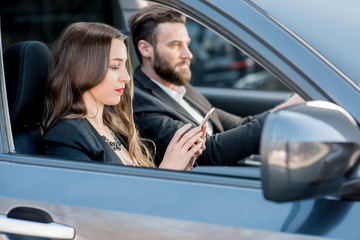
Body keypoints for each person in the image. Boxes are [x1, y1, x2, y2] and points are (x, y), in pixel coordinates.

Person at [128, 4, 304, 166]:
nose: (188, 54)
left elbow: (239, 126)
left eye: (187, 44)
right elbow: (206, 152)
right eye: (175, 45)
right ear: (145, 49)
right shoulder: (140, 102)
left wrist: (290, 107)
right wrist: (283, 115)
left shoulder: (179, 87)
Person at [42, 22, 206, 171]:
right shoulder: (67, 136)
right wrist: (168, 170)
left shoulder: (113, 123)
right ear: (83, 70)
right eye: (115, 66)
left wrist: (182, 166)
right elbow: (100, 202)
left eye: (124, 65)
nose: (126, 77)